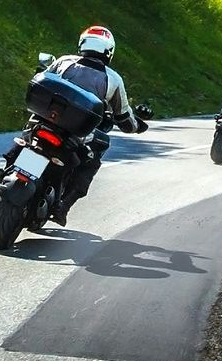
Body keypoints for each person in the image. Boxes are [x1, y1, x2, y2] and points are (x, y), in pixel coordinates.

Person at [43, 25, 146, 224]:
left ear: (83, 43)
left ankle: (8, 168)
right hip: (76, 130)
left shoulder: (64, 61)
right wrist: (136, 126)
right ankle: (63, 206)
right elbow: (124, 115)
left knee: (26, 138)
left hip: (49, 119)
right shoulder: (113, 79)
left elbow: (44, 79)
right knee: (93, 158)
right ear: (109, 51)